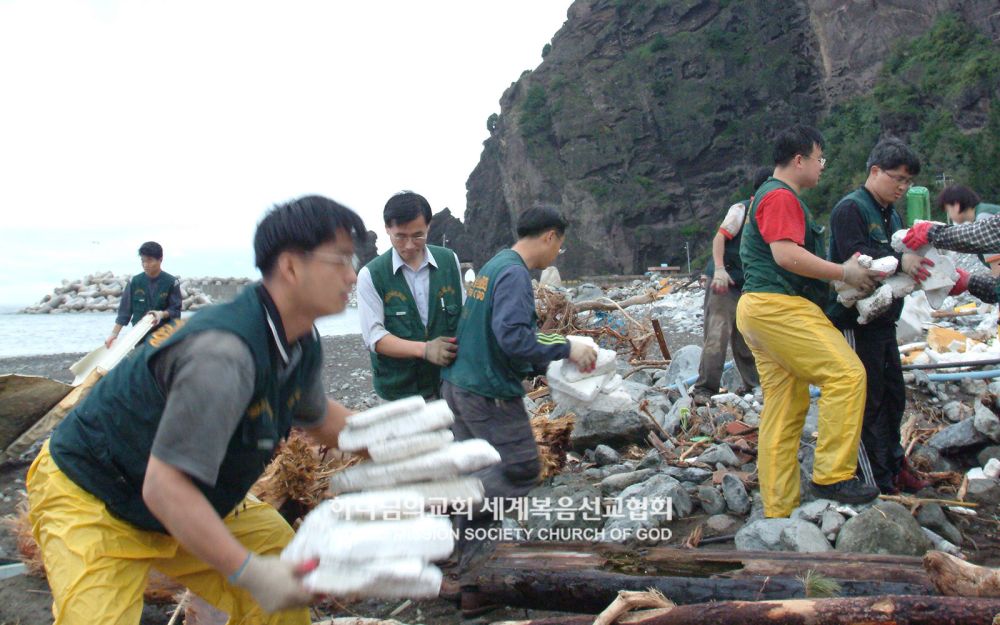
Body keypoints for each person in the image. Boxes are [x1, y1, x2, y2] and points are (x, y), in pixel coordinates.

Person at [28, 195, 367, 625]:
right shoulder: (223, 355)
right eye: (339, 260)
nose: (352, 275)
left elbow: (320, 419)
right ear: (291, 266)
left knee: (278, 557)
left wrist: (405, 447)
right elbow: (164, 489)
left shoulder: (298, 341)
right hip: (95, 494)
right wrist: (250, 574)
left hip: (183, 500)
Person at [439, 207, 596, 612]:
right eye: (559, 245)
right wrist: (567, 347)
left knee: (482, 477)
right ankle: (441, 506)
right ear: (549, 236)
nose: (557, 253)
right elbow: (513, 338)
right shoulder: (514, 274)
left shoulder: (494, 265)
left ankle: (473, 587)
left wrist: (546, 357)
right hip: (486, 392)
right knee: (521, 467)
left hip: (459, 385)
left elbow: (504, 333)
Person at [736, 124, 884, 518]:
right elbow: (786, 256)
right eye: (820, 158)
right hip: (779, 307)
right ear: (799, 160)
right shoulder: (781, 196)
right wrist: (844, 272)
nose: (823, 165)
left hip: (757, 309)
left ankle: (778, 509)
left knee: (785, 407)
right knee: (847, 375)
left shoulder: (768, 195)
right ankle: (833, 474)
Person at [826, 138, 932, 495]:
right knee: (867, 398)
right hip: (855, 321)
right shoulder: (851, 209)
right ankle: (875, 478)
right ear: (875, 171)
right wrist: (902, 261)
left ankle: (894, 464)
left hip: (885, 319)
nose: (902, 187)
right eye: (897, 178)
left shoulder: (891, 213)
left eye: (907, 181)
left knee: (893, 395)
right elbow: (857, 256)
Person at [357, 191, 465, 400]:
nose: (409, 245)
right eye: (400, 236)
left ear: (428, 226)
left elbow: (464, 315)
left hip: (448, 385)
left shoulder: (449, 261)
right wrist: (425, 350)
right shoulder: (371, 275)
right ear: (387, 228)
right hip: (399, 394)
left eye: (418, 235)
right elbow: (374, 337)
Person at [691, 167, 770, 404]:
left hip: (748, 285)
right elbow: (720, 238)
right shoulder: (742, 210)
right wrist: (719, 269)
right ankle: (705, 388)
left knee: (748, 336)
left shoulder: (772, 215)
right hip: (724, 281)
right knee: (718, 333)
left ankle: (753, 385)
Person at [106, 241, 182, 348]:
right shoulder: (134, 282)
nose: (146, 265)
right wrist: (114, 335)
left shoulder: (172, 282)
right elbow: (124, 312)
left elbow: (175, 310)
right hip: (139, 338)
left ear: (160, 259)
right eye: (143, 261)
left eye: (150, 260)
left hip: (164, 337)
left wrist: (161, 314)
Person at [937, 184, 1000, 275]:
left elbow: (997, 266)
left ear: (956, 206)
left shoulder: (982, 218)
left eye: (948, 210)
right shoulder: (985, 211)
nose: (949, 216)